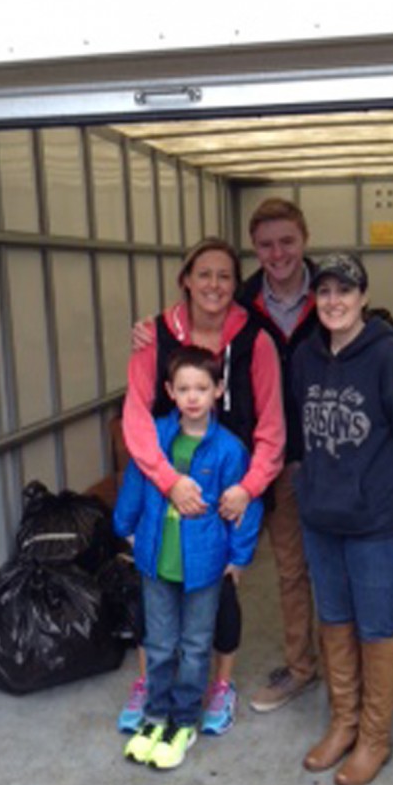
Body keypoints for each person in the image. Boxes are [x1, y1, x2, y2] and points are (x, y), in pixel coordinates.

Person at [119, 237, 284, 736]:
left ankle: (219, 686)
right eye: (204, 274)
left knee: (222, 594)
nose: (214, 284)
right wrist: (167, 484)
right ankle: (153, 686)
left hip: (232, 483)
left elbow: (272, 428)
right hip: (162, 482)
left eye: (225, 276)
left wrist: (248, 489)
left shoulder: (257, 338)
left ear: (238, 286)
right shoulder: (153, 335)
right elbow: (136, 421)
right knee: (158, 596)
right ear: (185, 280)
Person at [291, 252, 393, 785]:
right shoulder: (305, 358)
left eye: (344, 291)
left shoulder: (391, 359)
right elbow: (301, 434)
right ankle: (343, 723)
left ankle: (375, 737)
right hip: (321, 518)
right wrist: (307, 486)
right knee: (335, 621)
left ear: (363, 297)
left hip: (377, 522)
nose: (333, 301)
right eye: (324, 292)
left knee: (376, 629)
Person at [114, 346, 263, 770]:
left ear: (218, 390)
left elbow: (246, 506)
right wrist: (124, 526)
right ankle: (155, 716)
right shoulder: (155, 438)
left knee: (196, 646)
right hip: (156, 561)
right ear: (169, 392)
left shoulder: (230, 450)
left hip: (205, 565)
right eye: (183, 388)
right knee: (160, 644)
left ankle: (183, 721)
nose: (193, 396)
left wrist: (239, 556)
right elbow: (134, 485)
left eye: (202, 387)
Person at [238, 199, 321, 713]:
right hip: (278, 462)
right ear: (255, 248)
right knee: (291, 570)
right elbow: (194, 339)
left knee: (339, 569)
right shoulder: (242, 305)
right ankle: (301, 668)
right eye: (266, 244)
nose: (278, 253)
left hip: (335, 462)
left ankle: (348, 671)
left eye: (287, 241)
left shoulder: (333, 291)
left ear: (305, 238)